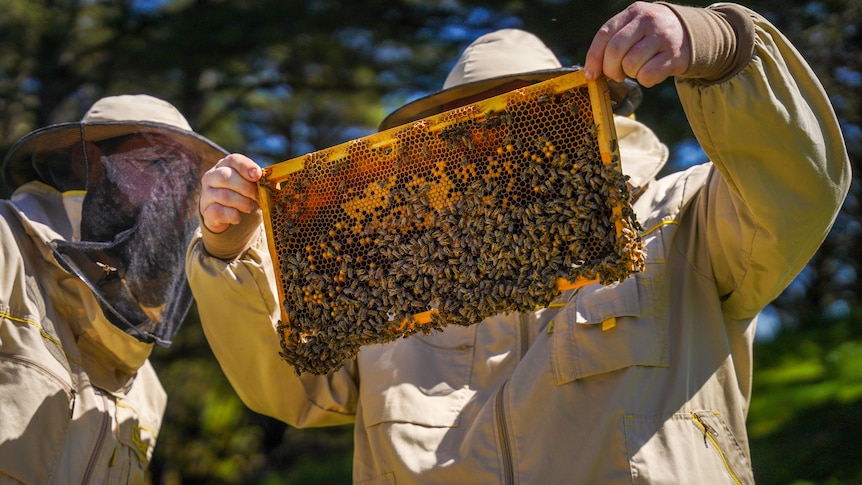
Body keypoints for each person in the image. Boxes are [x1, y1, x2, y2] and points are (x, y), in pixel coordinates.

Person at [188, 2, 851, 483]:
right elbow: (288, 382)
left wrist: (721, 46)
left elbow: (799, 188)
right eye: (463, 131)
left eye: (525, 114)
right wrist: (229, 251)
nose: (492, 147)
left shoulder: (681, 221)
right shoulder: (397, 277)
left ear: (588, 116)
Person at [0, 94, 228, 483]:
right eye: (155, 165)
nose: (170, 195)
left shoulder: (149, 391)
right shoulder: (7, 252)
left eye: (185, 181)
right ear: (83, 161)